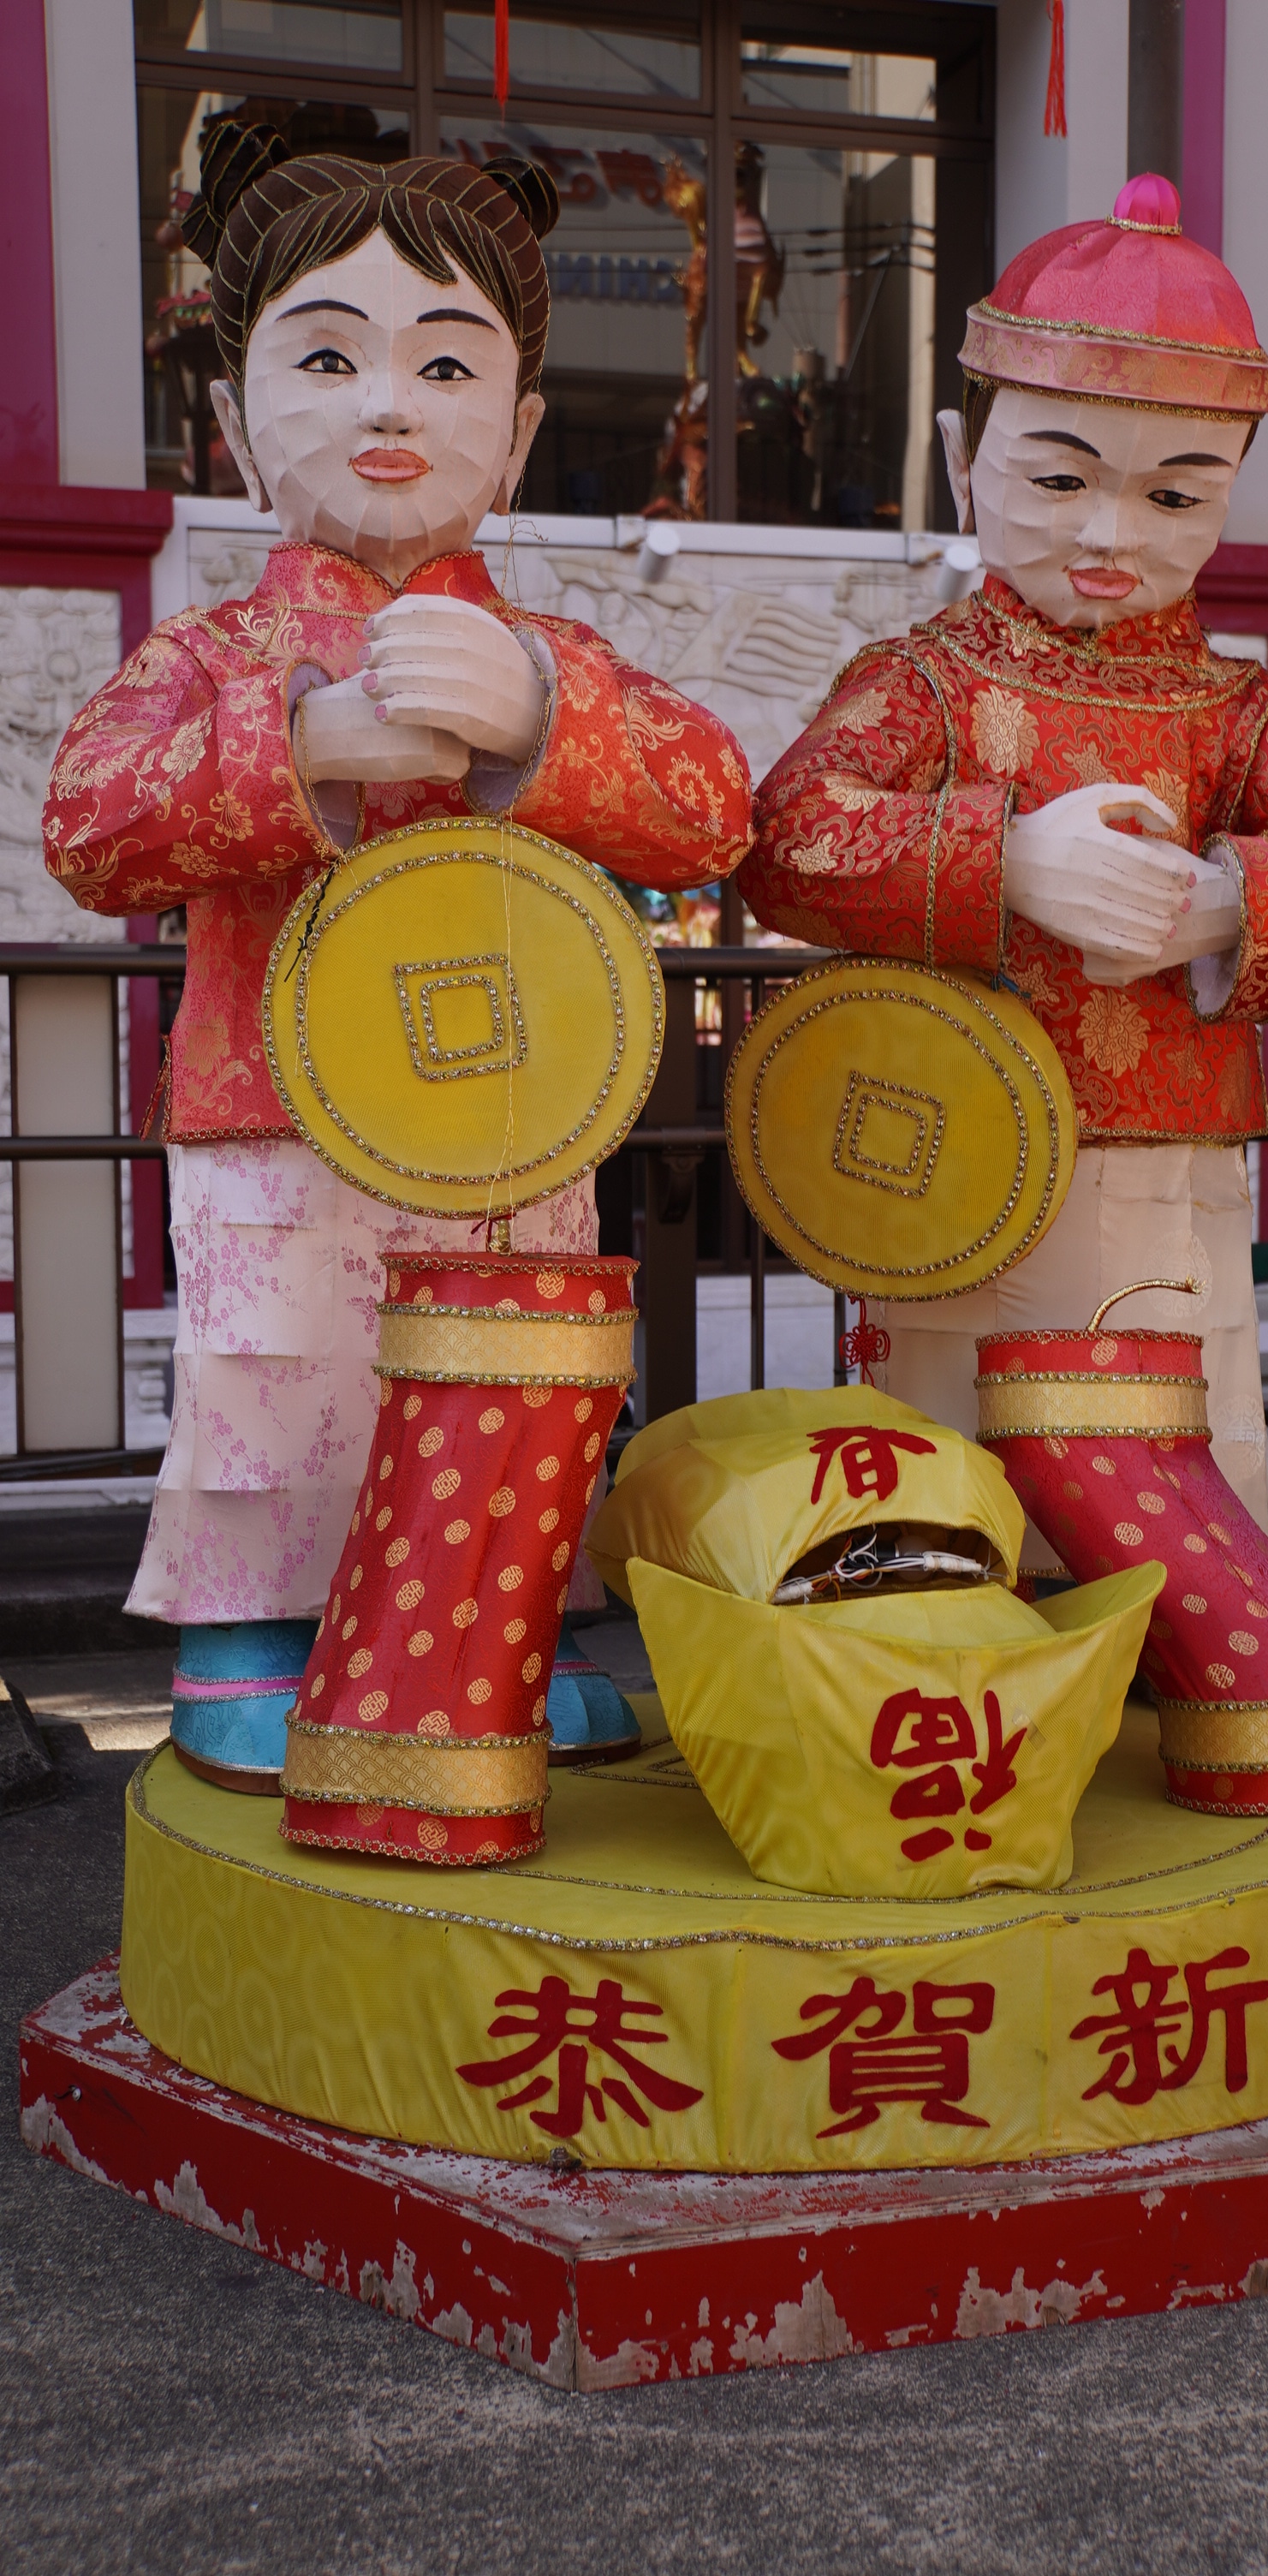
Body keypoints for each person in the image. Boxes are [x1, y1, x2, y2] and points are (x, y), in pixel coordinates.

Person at [43, 122, 752, 1781]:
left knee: (507, 1371)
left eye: (443, 365)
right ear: (234, 426)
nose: (387, 407)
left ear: (515, 432)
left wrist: (543, 723)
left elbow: (714, 809)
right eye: (327, 359)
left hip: (518, 1113)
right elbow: (88, 824)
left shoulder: (551, 649)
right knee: (278, 1369)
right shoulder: (210, 657)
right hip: (275, 1104)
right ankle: (254, 1636)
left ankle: (501, 1636)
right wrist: (298, 748)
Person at [741, 172, 1268, 1565]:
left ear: (1227, 493)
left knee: (1163, 1517)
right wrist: (1004, 859)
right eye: (1061, 479)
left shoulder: (1242, 714)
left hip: (1165, 1186)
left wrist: (1230, 903)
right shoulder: (923, 682)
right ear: (965, 459)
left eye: (1173, 494)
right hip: (944, 1164)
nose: (1113, 536)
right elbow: (783, 842)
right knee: (957, 1512)